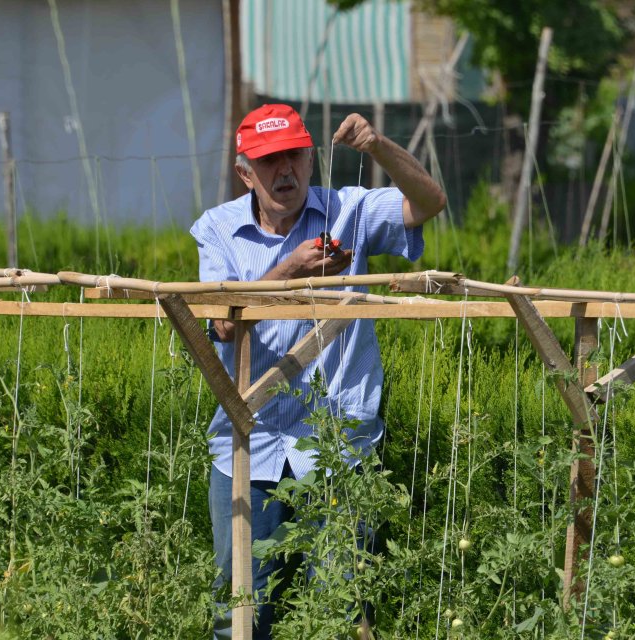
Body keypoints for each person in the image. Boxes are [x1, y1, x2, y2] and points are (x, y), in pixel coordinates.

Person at [190, 103, 446, 639]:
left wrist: (377, 146)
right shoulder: (217, 229)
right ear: (244, 173)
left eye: (294, 157)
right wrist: (290, 273)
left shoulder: (347, 210)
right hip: (247, 446)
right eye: (269, 161)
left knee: (342, 615)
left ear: (310, 159)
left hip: (339, 448)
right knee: (239, 617)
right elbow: (220, 323)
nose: (285, 171)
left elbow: (429, 202)